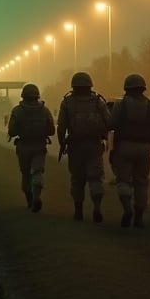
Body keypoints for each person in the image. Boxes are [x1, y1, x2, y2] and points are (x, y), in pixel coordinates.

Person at [108, 74, 150, 229]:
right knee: (141, 183)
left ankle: (127, 208)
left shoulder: (121, 105)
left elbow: (111, 124)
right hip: (145, 148)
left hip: (124, 147)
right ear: (143, 88)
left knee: (123, 180)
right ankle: (139, 216)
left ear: (126, 88)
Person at [55, 72, 110, 222]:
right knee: (96, 178)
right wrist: (105, 138)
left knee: (77, 179)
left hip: (75, 146)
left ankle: (78, 211)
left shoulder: (67, 102)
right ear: (89, 84)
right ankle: (97, 207)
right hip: (94, 146)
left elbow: (61, 127)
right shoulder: (98, 101)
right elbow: (109, 122)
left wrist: (62, 145)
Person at [7, 83, 55, 212]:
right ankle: (37, 197)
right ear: (37, 95)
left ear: (23, 95)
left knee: (26, 174)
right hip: (39, 146)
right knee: (37, 172)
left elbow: (11, 131)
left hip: (23, 147)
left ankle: (30, 200)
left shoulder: (17, 110)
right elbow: (51, 130)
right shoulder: (44, 110)